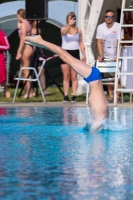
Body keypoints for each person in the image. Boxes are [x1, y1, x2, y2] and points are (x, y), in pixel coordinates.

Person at [24, 35, 109, 129]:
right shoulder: (99, 121)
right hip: (93, 77)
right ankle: (40, 40)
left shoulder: (101, 118)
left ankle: (39, 43)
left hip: (94, 78)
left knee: (65, 56)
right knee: (65, 56)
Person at [96, 9, 123, 103]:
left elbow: (119, 41)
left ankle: (118, 96)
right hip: (106, 55)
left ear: (114, 18)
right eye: (107, 16)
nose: (108, 18)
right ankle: (111, 96)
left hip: (116, 55)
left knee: (117, 76)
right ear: (104, 17)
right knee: (109, 77)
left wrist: (117, 55)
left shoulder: (118, 26)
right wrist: (101, 55)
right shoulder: (100, 27)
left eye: (111, 17)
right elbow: (99, 42)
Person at [60, 12, 86, 102]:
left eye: (73, 18)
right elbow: (63, 33)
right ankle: (66, 95)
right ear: (67, 19)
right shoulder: (64, 28)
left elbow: (81, 42)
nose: (72, 20)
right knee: (66, 76)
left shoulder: (79, 30)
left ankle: (74, 95)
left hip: (75, 53)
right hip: (65, 52)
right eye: (70, 18)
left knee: (74, 77)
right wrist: (69, 24)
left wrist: (84, 54)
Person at [16, 9, 35, 98]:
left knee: (26, 71)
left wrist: (19, 51)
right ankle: (29, 91)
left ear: (19, 15)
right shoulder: (27, 23)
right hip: (28, 47)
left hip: (26, 47)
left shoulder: (24, 25)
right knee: (23, 70)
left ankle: (29, 93)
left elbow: (23, 38)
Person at [30, 20, 51, 96]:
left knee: (42, 70)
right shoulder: (29, 28)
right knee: (30, 71)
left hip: (38, 51)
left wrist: (42, 52)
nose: (38, 21)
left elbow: (40, 42)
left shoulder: (39, 30)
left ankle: (43, 89)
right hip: (31, 51)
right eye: (37, 20)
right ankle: (30, 90)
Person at [0, 28, 10, 98]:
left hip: (0, 58)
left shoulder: (2, 34)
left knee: (2, 77)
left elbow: (7, 46)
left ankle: (6, 90)